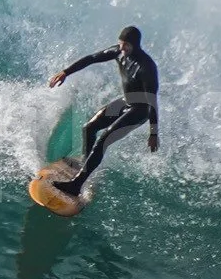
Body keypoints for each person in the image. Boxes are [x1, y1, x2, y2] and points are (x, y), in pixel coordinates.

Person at [46, 25, 159, 194]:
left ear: (135, 45)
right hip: (125, 103)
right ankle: (86, 164)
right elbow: (92, 58)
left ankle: (76, 185)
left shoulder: (146, 67)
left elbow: (152, 101)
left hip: (139, 111)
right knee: (89, 128)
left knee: (103, 140)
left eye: (125, 45)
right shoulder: (119, 52)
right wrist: (66, 72)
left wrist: (153, 133)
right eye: (120, 44)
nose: (121, 48)